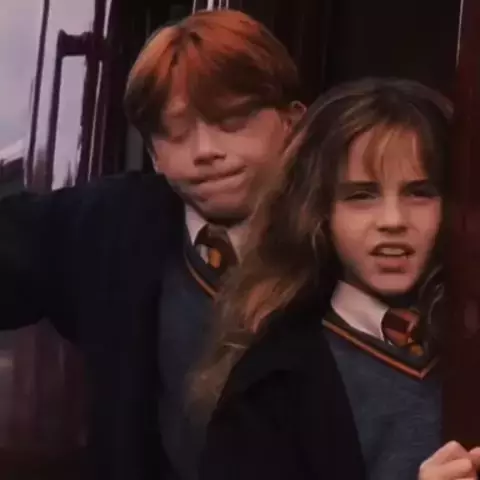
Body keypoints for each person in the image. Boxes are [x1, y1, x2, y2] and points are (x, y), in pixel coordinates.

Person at [0, 9, 304, 480]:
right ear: (154, 154)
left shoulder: (349, 235)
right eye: (177, 132)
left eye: (232, 120)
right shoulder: (110, 226)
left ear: (292, 122)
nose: (205, 150)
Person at [195, 78, 480, 480]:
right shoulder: (273, 381)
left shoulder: (465, 345)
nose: (393, 221)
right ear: (318, 212)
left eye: (420, 192)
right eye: (361, 195)